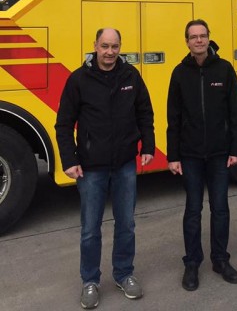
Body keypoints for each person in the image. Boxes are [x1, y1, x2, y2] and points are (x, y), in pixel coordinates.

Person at [55, 28, 155, 309]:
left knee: (127, 224)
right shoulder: (78, 79)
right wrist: (69, 160)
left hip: (124, 163)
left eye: (114, 46)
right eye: (104, 46)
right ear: (95, 47)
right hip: (90, 168)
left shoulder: (130, 76)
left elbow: (145, 112)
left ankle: (124, 274)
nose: (110, 52)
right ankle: (90, 280)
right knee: (90, 229)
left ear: (120, 47)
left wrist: (148, 146)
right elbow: (63, 123)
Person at [166, 19, 237, 292]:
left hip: (219, 154)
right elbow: (173, 117)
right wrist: (173, 155)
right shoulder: (179, 73)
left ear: (209, 39)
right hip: (189, 155)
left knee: (220, 209)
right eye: (193, 37)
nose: (198, 41)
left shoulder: (224, 69)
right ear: (186, 41)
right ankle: (192, 264)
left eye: (202, 36)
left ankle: (221, 260)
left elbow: (236, 112)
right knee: (192, 210)